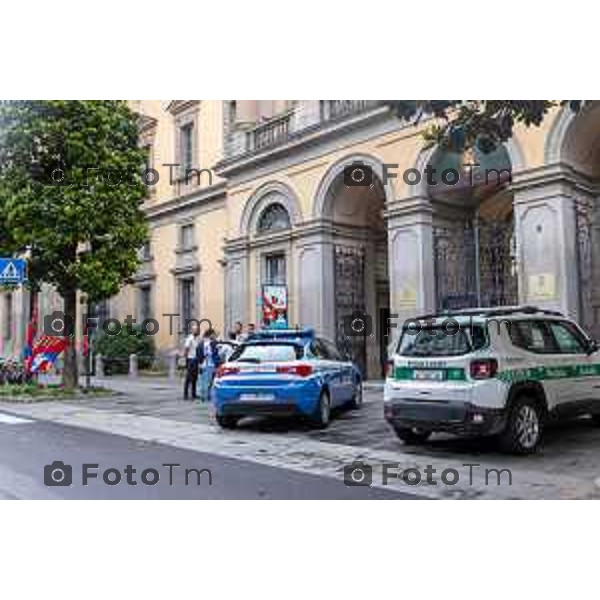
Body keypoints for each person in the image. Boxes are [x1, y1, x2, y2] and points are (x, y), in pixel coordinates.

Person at [196, 328, 221, 402]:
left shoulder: (201, 343)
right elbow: (215, 354)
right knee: (209, 380)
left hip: (203, 363)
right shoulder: (213, 343)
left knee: (203, 380)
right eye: (213, 334)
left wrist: (200, 362)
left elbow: (198, 353)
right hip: (210, 363)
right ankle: (207, 395)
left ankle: (203, 395)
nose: (214, 336)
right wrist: (217, 363)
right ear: (210, 334)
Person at [182, 322, 200, 400]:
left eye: (197, 330)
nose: (196, 331)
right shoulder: (190, 338)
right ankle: (185, 394)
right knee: (188, 377)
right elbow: (186, 348)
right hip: (190, 359)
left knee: (195, 378)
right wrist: (185, 358)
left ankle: (193, 394)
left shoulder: (197, 339)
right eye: (195, 330)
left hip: (195, 359)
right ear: (192, 331)